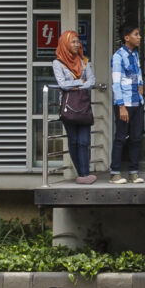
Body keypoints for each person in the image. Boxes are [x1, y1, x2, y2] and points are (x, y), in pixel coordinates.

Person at [50, 30, 97, 184]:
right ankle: (82, 174)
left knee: (84, 141)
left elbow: (91, 81)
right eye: (73, 42)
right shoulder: (58, 63)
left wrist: (76, 85)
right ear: (65, 43)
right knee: (74, 140)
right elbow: (62, 84)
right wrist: (79, 83)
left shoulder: (84, 61)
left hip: (83, 107)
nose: (77, 45)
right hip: (68, 107)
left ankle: (84, 174)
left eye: (78, 42)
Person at [109, 24, 145, 184]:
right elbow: (116, 83)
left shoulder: (135, 54)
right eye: (136, 34)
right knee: (121, 138)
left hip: (137, 102)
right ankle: (115, 173)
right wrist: (121, 106)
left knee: (136, 138)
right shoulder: (118, 57)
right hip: (124, 104)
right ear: (127, 37)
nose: (139, 37)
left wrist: (142, 85)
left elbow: (138, 74)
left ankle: (133, 172)